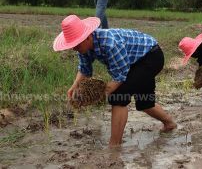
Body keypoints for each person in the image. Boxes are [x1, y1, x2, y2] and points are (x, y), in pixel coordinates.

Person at [53, 15, 177, 147]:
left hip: (151, 57)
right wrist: (74, 86)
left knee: (118, 97)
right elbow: (84, 69)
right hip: (133, 60)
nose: (74, 48)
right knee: (144, 102)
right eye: (72, 45)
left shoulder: (109, 43)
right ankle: (170, 124)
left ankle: (114, 145)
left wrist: (97, 95)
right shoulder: (83, 47)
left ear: (87, 37)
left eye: (76, 45)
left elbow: (120, 76)